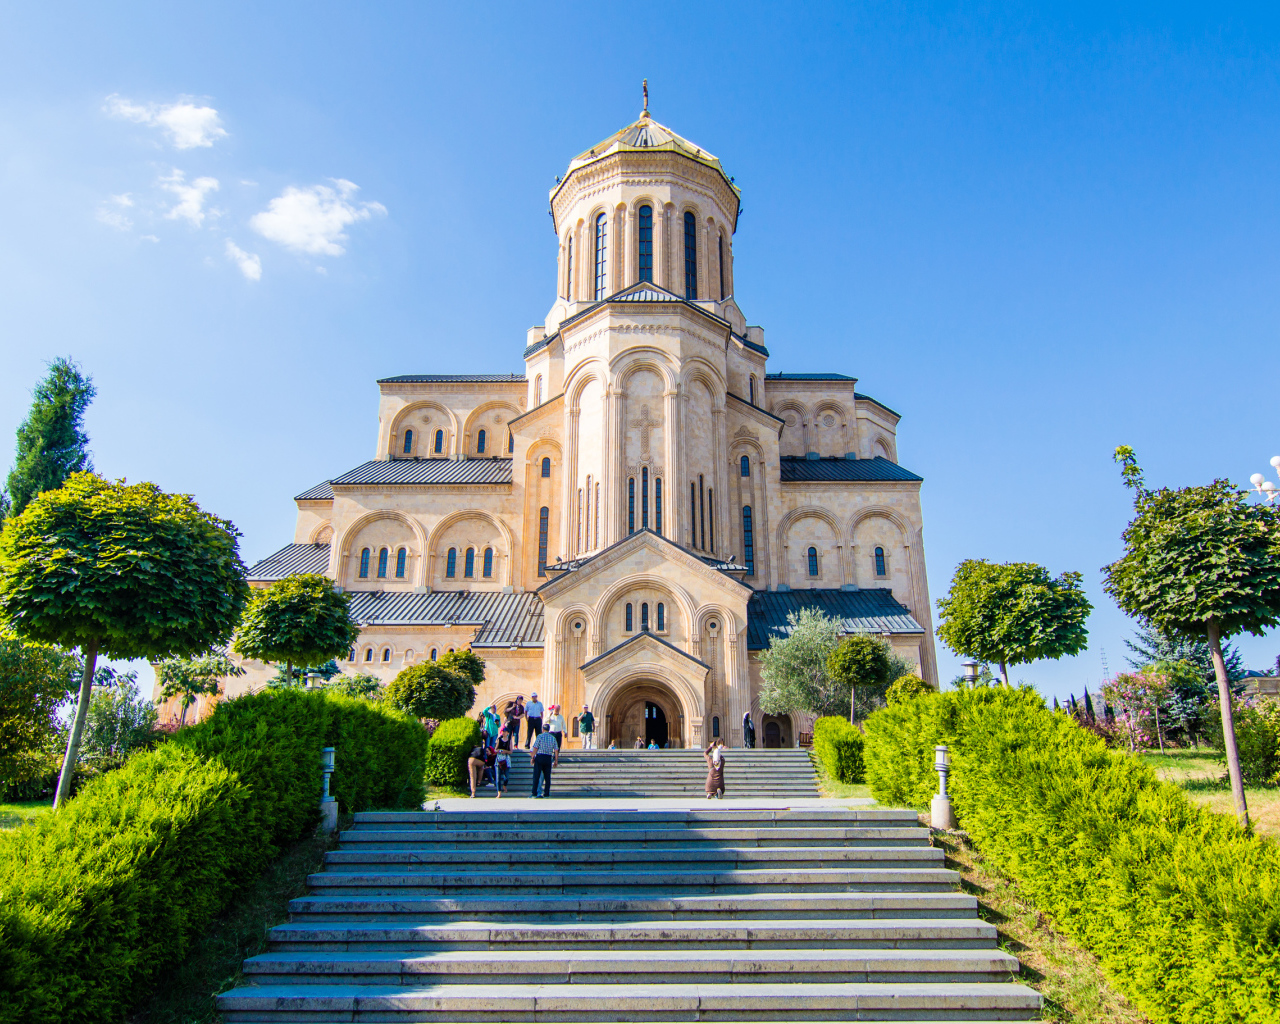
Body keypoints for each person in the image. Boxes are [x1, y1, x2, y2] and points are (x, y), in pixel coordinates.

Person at [529, 721, 559, 797]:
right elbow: (556, 750)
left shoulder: (540, 736)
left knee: (536, 775)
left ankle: (534, 793)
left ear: (543, 729)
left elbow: (535, 747)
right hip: (548, 758)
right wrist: (556, 760)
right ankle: (546, 793)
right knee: (547, 777)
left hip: (540, 757)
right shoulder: (553, 738)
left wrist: (533, 757)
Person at [493, 733, 511, 798]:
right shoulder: (499, 740)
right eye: (503, 731)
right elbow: (495, 750)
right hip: (499, 759)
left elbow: (511, 751)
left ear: (507, 733)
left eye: (505, 732)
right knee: (498, 778)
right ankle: (499, 792)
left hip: (506, 760)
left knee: (507, 777)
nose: (504, 733)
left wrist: (505, 751)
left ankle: (504, 785)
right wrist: (500, 751)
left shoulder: (509, 740)